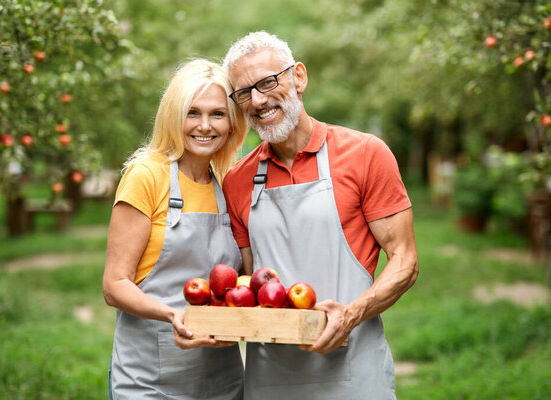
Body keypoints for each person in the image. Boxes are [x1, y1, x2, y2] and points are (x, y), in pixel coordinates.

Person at [221, 31, 419, 399]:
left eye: (267, 82)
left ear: (299, 77)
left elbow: (405, 261)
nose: (258, 101)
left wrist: (351, 314)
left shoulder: (365, 154)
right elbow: (248, 280)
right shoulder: (237, 181)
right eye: (244, 93)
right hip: (271, 379)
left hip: (354, 371)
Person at [103, 59, 248, 399]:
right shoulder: (146, 175)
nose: (204, 125)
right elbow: (114, 285)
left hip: (222, 380)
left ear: (231, 124)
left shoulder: (229, 185)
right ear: (173, 116)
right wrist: (173, 315)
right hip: (150, 382)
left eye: (217, 114)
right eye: (192, 113)